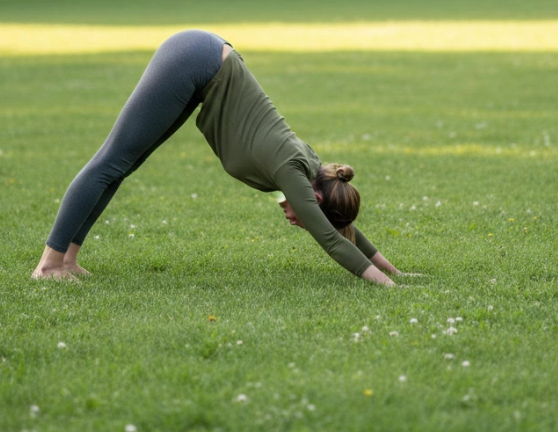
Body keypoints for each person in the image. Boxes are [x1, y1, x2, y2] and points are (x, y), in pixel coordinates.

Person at [32, 29, 400, 285]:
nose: (297, 221)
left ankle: (68, 260)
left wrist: (393, 269)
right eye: (306, 217)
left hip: (207, 66)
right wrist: (387, 286)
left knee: (123, 165)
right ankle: (49, 265)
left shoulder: (316, 171)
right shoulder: (293, 171)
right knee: (111, 160)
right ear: (314, 198)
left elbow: (341, 227)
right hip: (195, 59)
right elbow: (332, 240)